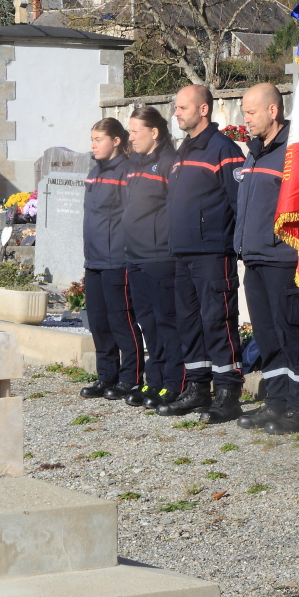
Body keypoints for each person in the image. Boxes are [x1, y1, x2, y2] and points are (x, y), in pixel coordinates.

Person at [235, 83, 299, 434]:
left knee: (292, 334)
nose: (246, 119)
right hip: (254, 258)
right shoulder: (254, 152)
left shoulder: (292, 151)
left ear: (273, 111)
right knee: (267, 336)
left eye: (251, 112)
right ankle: (277, 401)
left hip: (282, 259)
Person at [161, 84, 246, 423]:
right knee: (190, 323)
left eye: (182, 107)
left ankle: (227, 392)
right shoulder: (184, 150)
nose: (176, 113)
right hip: (183, 253)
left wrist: (236, 246)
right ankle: (198, 387)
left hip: (212, 254)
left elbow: (239, 202)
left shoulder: (223, 149)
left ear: (203, 110)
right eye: (176, 107)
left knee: (217, 321)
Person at [120, 106, 184, 410]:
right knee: (147, 322)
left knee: (166, 322)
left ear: (154, 132)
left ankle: (174, 382)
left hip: (159, 257)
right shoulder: (135, 164)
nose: (130, 137)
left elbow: (175, 209)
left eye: (135, 132)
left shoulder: (169, 162)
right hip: (135, 256)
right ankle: (154, 379)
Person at [79, 118, 144, 401]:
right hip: (93, 259)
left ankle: (131, 377)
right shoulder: (95, 172)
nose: (93, 145)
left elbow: (133, 216)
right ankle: (107, 375)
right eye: (92, 140)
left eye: (99, 139)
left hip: (116, 259)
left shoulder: (127, 171)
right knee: (98, 322)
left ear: (116, 141)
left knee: (121, 321)